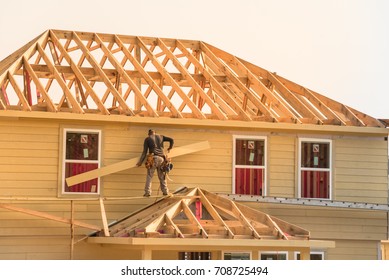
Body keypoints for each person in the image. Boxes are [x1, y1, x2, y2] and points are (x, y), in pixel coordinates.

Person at [136, 129, 174, 197]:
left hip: (153, 158)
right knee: (162, 176)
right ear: (155, 133)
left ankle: (148, 192)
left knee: (150, 176)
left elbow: (144, 152)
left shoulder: (147, 139)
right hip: (162, 159)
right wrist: (170, 147)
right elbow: (171, 140)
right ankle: (165, 191)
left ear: (149, 134)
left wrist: (140, 162)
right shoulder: (161, 137)